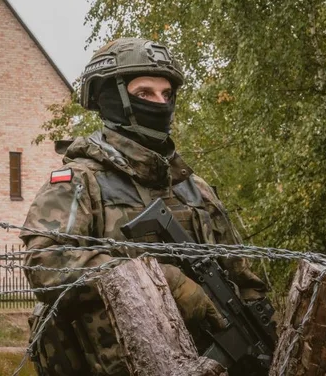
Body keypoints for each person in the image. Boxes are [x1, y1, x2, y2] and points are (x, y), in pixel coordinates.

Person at [22, 38, 269, 376]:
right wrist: (161, 281)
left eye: (167, 94)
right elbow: (46, 266)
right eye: (145, 94)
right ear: (111, 98)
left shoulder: (195, 189)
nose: (160, 103)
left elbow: (245, 280)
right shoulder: (80, 181)